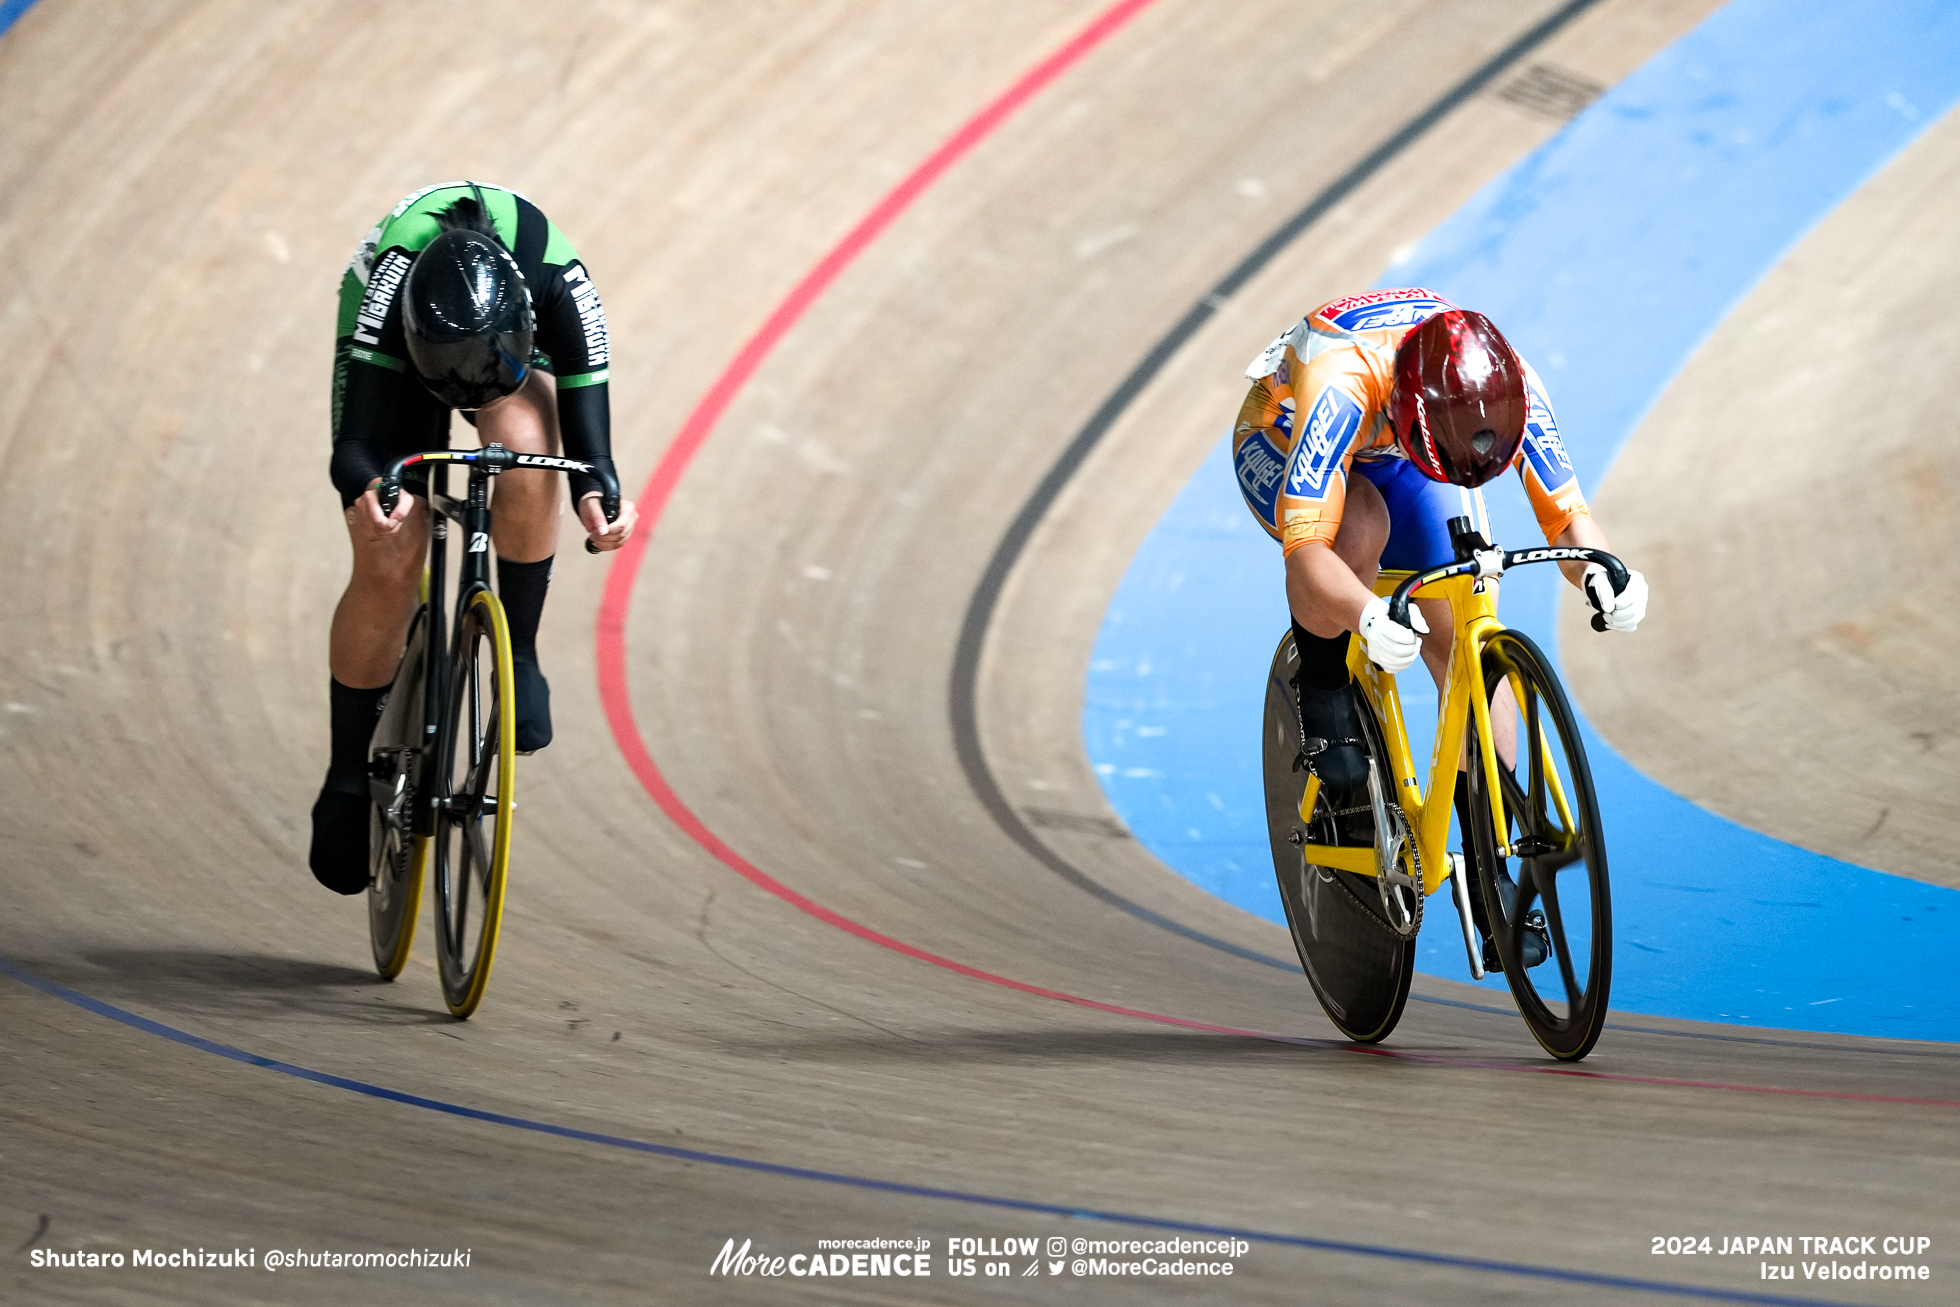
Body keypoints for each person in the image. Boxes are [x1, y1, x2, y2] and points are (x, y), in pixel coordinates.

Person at [1232, 288, 1646, 966]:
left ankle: (1491, 871)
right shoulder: (1342, 382)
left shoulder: (1510, 385)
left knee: (1461, 610)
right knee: (1358, 526)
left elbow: (1568, 516)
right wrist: (1364, 613)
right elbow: (1306, 553)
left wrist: (1604, 570)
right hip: (1284, 431)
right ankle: (1327, 686)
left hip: (1408, 449)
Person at [309, 182, 638, 894]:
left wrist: (598, 498)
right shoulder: (389, 293)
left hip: (504, 338)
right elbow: (356, 448)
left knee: (526, 450)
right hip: (398, 338)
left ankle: (516, 648)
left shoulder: (560, 285)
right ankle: (344, 776)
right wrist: (374, 492)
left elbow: (593, 456)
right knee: (391, 550)